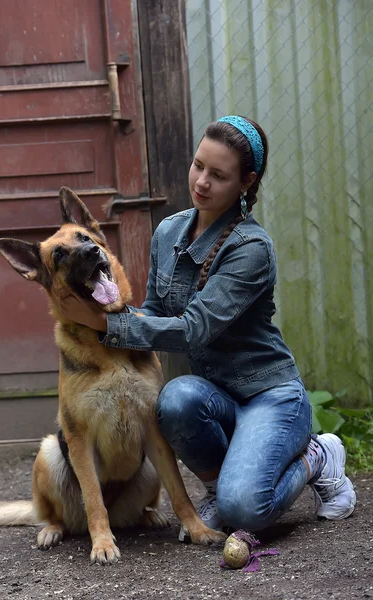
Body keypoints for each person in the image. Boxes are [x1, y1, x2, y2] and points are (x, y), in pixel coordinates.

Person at [58, 115, 356, 537]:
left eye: (218, 175)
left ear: (245, 182)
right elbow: (155, 310)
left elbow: (192, 330)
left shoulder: (251, 249)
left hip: (269, 398)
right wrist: (91, 322)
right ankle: (222, 487)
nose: (201, 181)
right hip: (214, 397)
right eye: (199, 165)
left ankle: (317, 456)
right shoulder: (169, 232)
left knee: (247, 510)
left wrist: (105, 324)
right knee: (174, 400)